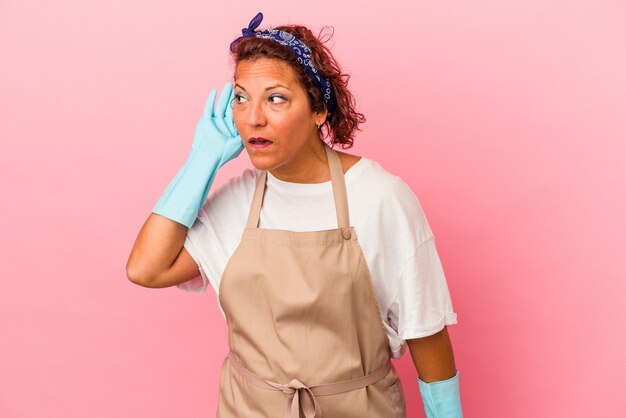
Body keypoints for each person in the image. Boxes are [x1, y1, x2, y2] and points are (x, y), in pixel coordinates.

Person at [126, 12, 463, 418]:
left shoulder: (380, 199)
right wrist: (200, 163)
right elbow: (146, 269)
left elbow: (428, 335)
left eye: (275, 98)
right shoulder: (235, 202)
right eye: (241, 97)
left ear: (319, 110)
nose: (253, 117)